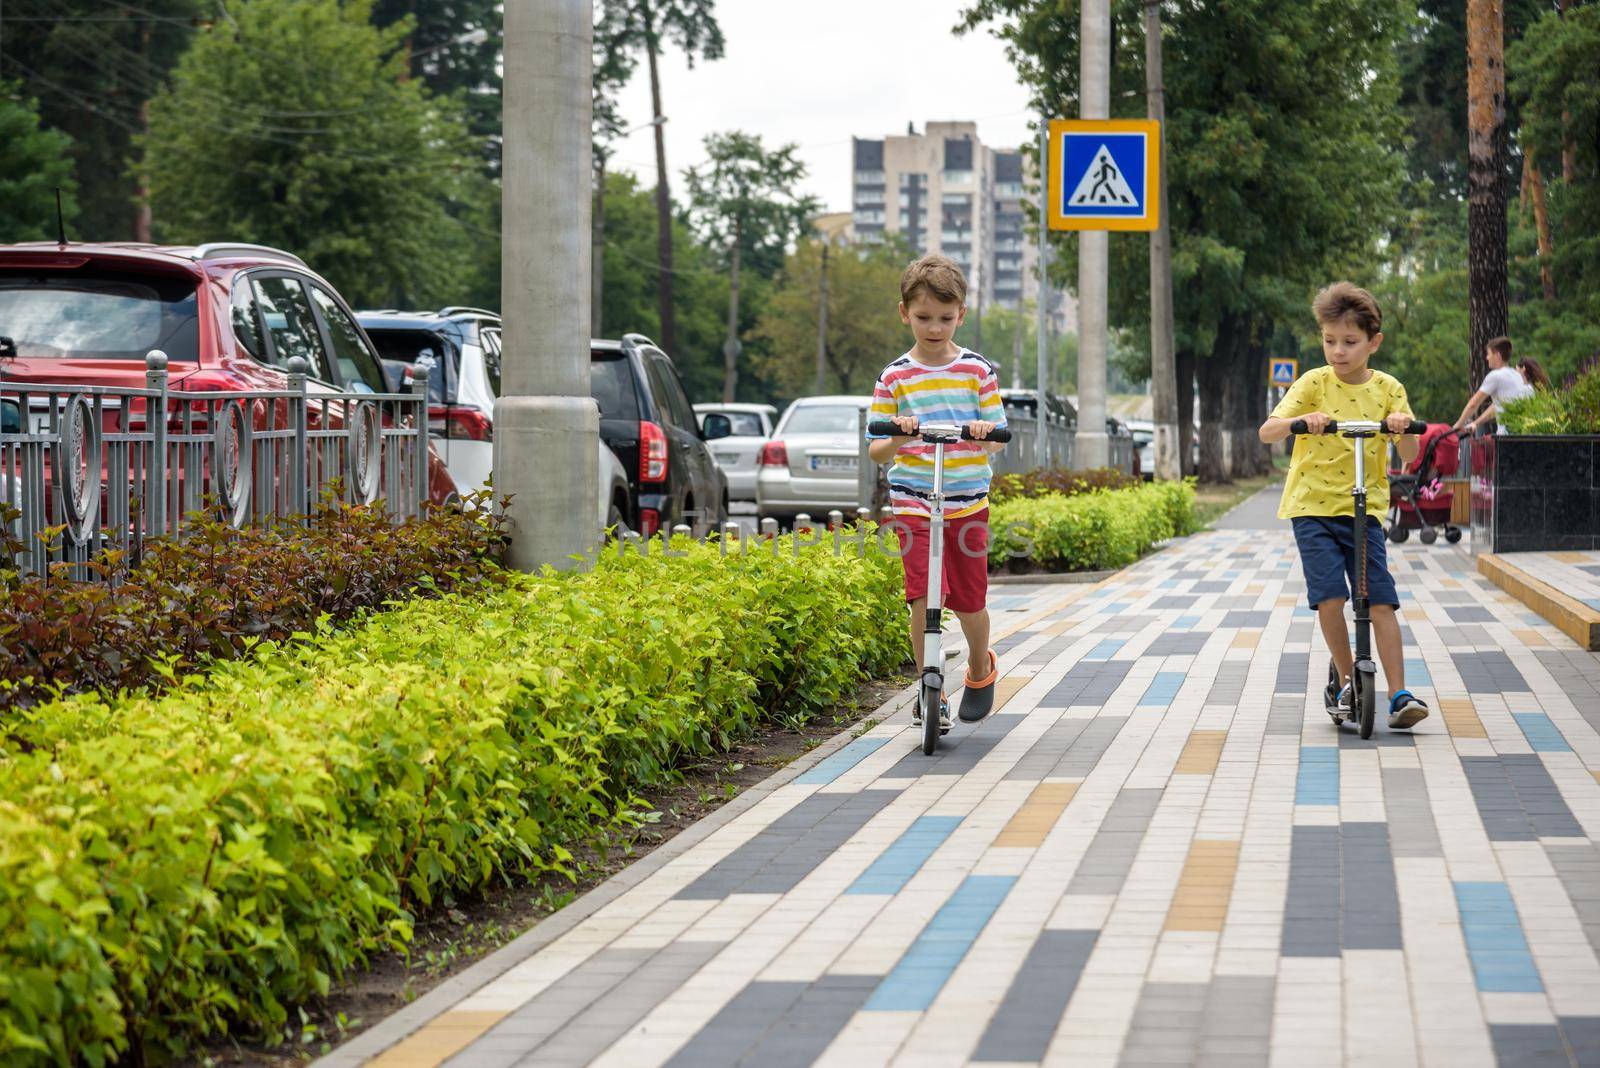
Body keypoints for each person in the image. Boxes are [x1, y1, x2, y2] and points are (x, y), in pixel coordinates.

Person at [1258, 282, 1429, 729]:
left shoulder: (1389, 389)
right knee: (1330, 596)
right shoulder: (1313, 383)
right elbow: (1268, 431)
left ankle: (1399, 695)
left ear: (1374, 342)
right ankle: (1351, 676)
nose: (1338, 351)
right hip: (1312, 507)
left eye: (1350, 342)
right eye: (1330, 341)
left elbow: (1409, 453)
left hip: (1365, 509)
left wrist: (1402, 427)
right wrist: (1299, 421)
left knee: (1379, 601)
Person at [866, 254, 1007, 726]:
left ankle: (980, 667)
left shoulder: (977, 371)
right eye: (923, 317)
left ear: (960, 315)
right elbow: (876, 450)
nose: (934, 328)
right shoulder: (893, 377)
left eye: (945, 318)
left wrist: (985, 431)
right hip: (913, 501)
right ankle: (929, 685)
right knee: (922, 596)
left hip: (967, 502)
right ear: (904, 312)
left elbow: (999, 434)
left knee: (969, 601)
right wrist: (901, 435)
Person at [1452, 336, 1534, 435]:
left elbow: (1474, 404)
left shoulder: (1495, 376)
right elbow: (1496, 407)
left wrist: (1459, 425)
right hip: (1521, 434)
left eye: (1488, 354)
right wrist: (1475, 424)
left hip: (1505, 437)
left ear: (1497, 355)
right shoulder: (1516, 375)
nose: (1487, 358)